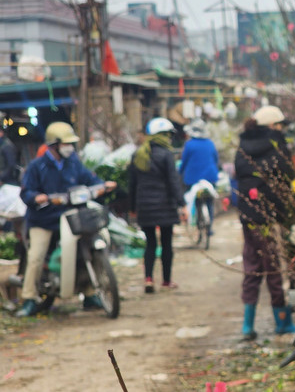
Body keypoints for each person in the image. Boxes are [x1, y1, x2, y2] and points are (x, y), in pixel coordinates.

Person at [16, 122, 117, 317]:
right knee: (36, 256)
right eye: (66, 144)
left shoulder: (73, 162)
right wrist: (37, 197)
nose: (70, 147)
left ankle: (89, 294)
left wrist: (102, 185)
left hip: (70, 216)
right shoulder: (38, 166)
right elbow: (26, 192)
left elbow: (89, 179)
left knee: (85, 247)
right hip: (44, 219)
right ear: (54, 145)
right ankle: (29, 298)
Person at [235, 106, 295, 339]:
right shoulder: (276, 147)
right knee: (275, 268)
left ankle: (247, 326)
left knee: (251, 267)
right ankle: (283, 322)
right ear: (273, 126)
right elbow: (289, 178)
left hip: (248, 216)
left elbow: (239, 176)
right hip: (271, 216)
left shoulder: (242, 147)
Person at [128, 118, 186, 294]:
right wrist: (181, 204)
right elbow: (173, 181)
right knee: (166, 243)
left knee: (150, 243)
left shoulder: (138, 154)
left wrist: (132, 207)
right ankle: (166, 281)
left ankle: (148, 279)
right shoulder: (166, 154)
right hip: (164, 206)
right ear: (164, 136)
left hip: (144, 206)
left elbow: (132, 184)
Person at [180, 118, 219, 231]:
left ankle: (197, 221)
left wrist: (179, 172)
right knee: (209, 201)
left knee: (195, 200)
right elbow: (216, 159)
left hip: (193, 179)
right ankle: (209, 227)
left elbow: (184, 162)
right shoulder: (210, 144)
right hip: (210, 177)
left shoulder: (189, 144)